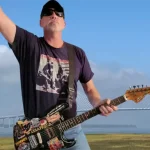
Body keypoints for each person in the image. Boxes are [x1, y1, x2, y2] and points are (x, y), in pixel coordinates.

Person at [0, 0, 118, 150]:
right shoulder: (29, 45)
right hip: (38, 134)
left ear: (64, 23)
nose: (54, 15)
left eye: (58, 13)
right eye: (48, 13)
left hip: (71, 130)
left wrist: (97, 103)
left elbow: (90, 90)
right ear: (41, 22)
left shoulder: (77, 53)